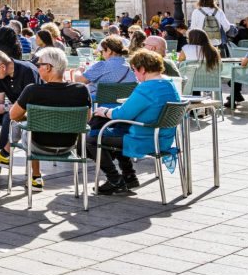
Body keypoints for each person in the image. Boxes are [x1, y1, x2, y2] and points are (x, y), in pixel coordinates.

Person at [88, 48, 180, 194]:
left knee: (91, 139)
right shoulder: (169, 84)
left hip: (145, 139)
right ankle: (129, 176)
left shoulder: (147, 87)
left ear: (142, 69)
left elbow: (123, 113)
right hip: (163, 138)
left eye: (135, 71)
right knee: (116, 131)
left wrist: (104, 111)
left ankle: (115, 180)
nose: (135, 75)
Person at [9, 47, 91, 190]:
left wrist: (34, 117)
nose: (37, 68)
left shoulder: (32, 90)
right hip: (69, 145)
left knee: (25, 127)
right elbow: (86, 118)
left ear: (47, 67)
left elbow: (13, 115)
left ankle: (35, 176)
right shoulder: (81, 89)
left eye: (39, 65)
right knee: (31, 125)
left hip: (39, 146)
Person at [0, 49, 39, 166]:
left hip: (33, 112)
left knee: (9, 116)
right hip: (15, 109)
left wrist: (5, 108)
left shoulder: (27, 71)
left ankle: (0, 153)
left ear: (2, 67)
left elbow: (31, 104)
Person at [75, 35, 135, 104]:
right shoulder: (130, 66)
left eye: (102, 51)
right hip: (122, 106)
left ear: (109, 51)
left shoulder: (102, 66)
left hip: (98, 105)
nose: (101, 54)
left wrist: (78, 71)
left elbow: (79, 81)